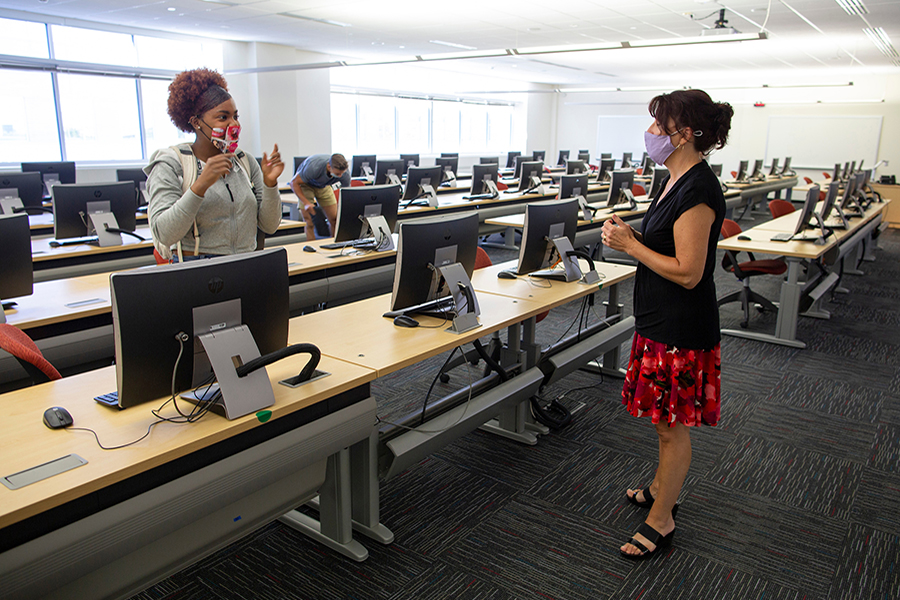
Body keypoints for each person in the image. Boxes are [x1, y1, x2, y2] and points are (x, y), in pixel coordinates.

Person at [600, 89, 733, 560]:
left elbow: (689, 270)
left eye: (660, 125)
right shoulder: (673, 178)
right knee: (662, 421)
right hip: (659, 319)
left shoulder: (698, 189)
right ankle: (660, 487)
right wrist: (634, 236)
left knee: (672, 428)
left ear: (686, 134)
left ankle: (662, 519)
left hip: (681, 327)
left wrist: (631, 247)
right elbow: (667, 244)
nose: (652, 132)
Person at [145, 68, 283, 261]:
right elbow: (165, 234)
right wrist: (201, 185)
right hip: (198, 270)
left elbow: (270, 226)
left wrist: (269, 184)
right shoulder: (171, 163)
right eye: (223, 117)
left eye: (236, 116)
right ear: (196, 122)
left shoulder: (245, 161)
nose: (233, 124)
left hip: (245, 264)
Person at [290, 154, 350, 241]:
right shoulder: (313, 167)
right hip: (306, 185)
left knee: (335, 219)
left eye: (342, 173)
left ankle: (334, 245)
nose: (340, 176)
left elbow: (346, 194)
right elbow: (294, 183)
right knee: (309, 222)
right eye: (337, 174)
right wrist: (306, 203)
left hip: (324, 186)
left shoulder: (345, 174)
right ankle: (310, 249)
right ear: (329, 167)